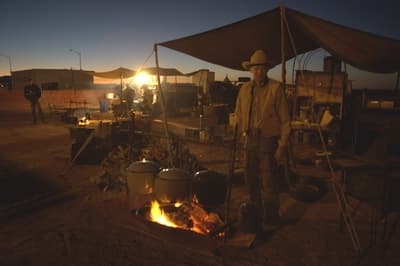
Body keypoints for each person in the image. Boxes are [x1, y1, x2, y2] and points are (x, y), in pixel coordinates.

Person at [234, 50, 291, 229]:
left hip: (268, 140)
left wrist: (282, 145)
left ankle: (272, 216)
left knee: (268, 180)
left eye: (262, 68)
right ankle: (255, 213)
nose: (258, 71)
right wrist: (238, 134)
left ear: (267, 69)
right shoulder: (244, 89)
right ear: (251, 70)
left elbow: (285, 120)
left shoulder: (276, 88)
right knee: (250, 177)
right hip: (250, 139)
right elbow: (238, 113)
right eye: (255, 68)